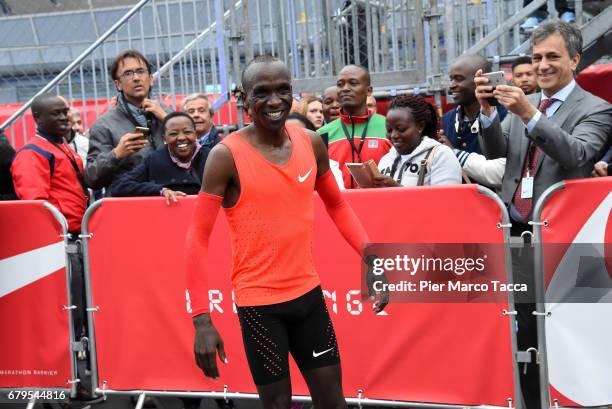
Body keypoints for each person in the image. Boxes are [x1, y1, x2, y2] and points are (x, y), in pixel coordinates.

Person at [185, 55, 386, 409]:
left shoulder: (311, 142)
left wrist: (370, 258)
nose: (275, 101)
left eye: (282, 90)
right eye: (261, 92)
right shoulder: (225, 156)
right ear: (244, 100)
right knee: (277, 405)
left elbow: (337, 205)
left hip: (308, 296)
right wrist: (201, 318)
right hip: (259, 306)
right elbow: (197, 238)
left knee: (334, 402)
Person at [475, 20, 612, 409]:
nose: (543, 65)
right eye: (537, 58)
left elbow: (578, 155)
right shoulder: (528, 106)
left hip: (568, 243)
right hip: (518, 237)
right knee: (525, 336)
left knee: (573, 338)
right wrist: (487, 114)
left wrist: (529, 114)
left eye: (553, 56)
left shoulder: (597, 108)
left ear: (575, 60)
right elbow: (499, 153)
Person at [10, 94, 92, 400]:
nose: (63, 117)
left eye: (65, 112)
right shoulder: (32, 153)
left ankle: (75, 381)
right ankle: (64, 387)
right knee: (66, 315)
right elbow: (37, 208)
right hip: (58, 247)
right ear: (37, 118)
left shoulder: (61, 148)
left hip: (74, 242)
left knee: (79, 313)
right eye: (55, 113)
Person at [85, 49, 171, 194]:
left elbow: (195, 150)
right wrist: (116, 154)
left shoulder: (167, 113)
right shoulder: (104, 125)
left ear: (150, 79)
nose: (136, 78)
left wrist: (167, 120)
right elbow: (91, 178)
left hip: (170, 200)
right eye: (128, 73)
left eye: (140, 71)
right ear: (118, 84)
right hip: (128, 205)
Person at [318, 65, 391, 189]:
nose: (345, 89)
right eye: (340, 84)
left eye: (353, 83)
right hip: (339, 205)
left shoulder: (388, 126)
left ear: (369, 90)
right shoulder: (322, 134)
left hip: (381, 203)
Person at [111, 112, 210, 203]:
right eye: (173, 134)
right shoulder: (155, 159)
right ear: (164, 139)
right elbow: (119, 186)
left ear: (195, 134)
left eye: (187, 132)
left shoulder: (211, 156)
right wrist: (160, 190)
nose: (181, 138)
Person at [374, 95, 461, 187]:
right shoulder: (386, 160)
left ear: (420, 126)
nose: (393, 135)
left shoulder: (441, 155)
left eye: (401, 129)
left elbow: (446, 199)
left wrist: (396, 189)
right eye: (389, 130)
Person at [442, 54, 507, 154]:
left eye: (459, 78)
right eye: (451, 79)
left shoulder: (505, 116)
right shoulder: (448, 118)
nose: (452, 85)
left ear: (482, 80)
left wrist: (453, 153)